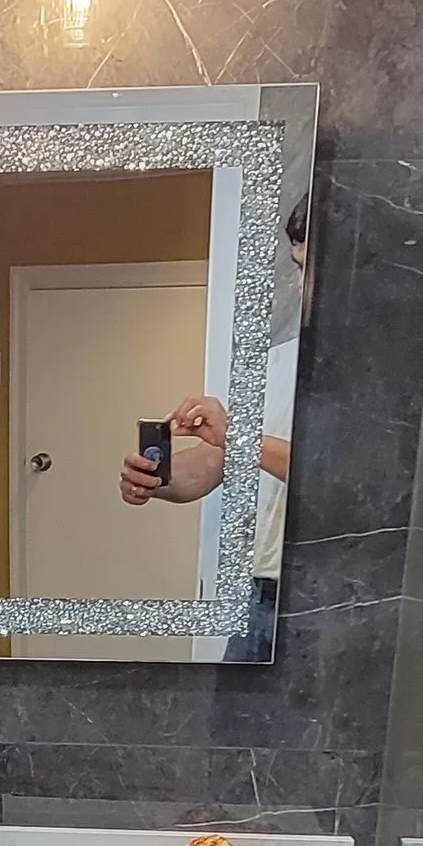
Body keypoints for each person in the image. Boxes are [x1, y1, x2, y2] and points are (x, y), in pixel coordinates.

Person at [119, 201, 304, 662]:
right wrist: (156, 481)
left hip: (342, 594)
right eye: (299, 267)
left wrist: (237, 436)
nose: (304, 285)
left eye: (314, 267)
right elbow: (216, 463)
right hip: (261, 593)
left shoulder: (382, 379)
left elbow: (340, 481)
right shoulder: (277, 364)